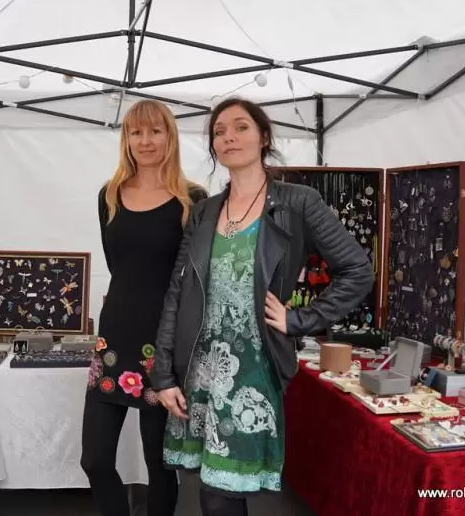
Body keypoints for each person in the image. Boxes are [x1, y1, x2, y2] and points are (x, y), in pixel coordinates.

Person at [150, 97, 375, 516]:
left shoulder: (297, 202)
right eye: (219, 131)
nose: (229, 137)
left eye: (241, 127)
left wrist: (301, 319)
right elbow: (177, 294)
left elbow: (357, 270)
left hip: (253, 372)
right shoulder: (203, 212)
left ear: (264, 137)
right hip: (199, 369)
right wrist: (163, 374)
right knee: (210, 490)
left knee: (221, 494)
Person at [81, 99, 208, 516]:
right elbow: (118, 265)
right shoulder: (109, 195)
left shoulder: (193, 199)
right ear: (126, 139)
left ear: (170, 136)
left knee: (160, 463)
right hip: (114, 338)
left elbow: (194, 278)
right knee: (95, 459)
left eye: (155, 131)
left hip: (164, 344)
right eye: (136, 132)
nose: (146, 140)